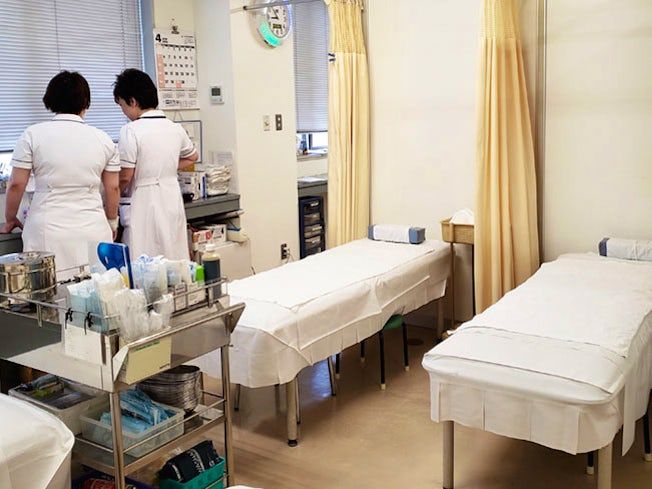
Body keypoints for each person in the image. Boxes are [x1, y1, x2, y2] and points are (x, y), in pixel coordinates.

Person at [1, 71, 120, 279]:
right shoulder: (103, 139)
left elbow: (16, 184)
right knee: (95, 289)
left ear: (50, 100)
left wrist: (10, 218)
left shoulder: (32, 135)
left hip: (47, 229)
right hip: (93, 227)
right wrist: (111, 222)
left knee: (49, 290)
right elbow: (113, 187)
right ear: (86, 102)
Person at [113, 69, 198, 260]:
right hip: (170, 195)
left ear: (133, 101)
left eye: (122, 106)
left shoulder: (130, 130)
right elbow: (193, 156)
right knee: (173, 254)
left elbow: (125, 176)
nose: (123, 112)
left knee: (143, 256)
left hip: (144, 198)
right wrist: (167, 166)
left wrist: (110, 194)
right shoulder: (174, 128)